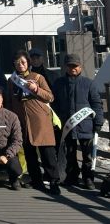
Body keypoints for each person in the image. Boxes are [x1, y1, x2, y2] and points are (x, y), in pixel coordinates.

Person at [5, 50, 59, 195]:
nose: (20, 65)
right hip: (22, 121)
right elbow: (9, 101)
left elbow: (50, 97)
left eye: (23, 62)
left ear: (28, 63)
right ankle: (37, 181)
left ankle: (54, 182)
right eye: (17, 63)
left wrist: (36, 89)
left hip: (40, 121)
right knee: (29, 154)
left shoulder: (38, 77)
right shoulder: (12, 81)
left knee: (47, 154)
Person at [52, 53, 104, 190]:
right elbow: (54, 104)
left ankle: (88, 178)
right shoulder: (58, 84)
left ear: (80, 66)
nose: (73, 68)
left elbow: (96, 104)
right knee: (69, 154)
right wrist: (56, 120)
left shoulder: (89, 83)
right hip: (67, 125)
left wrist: (98, 122)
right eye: (70, 66)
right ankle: (72, 177)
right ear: (65, 67)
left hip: (86, 125)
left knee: (88, 155)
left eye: (75, 66)